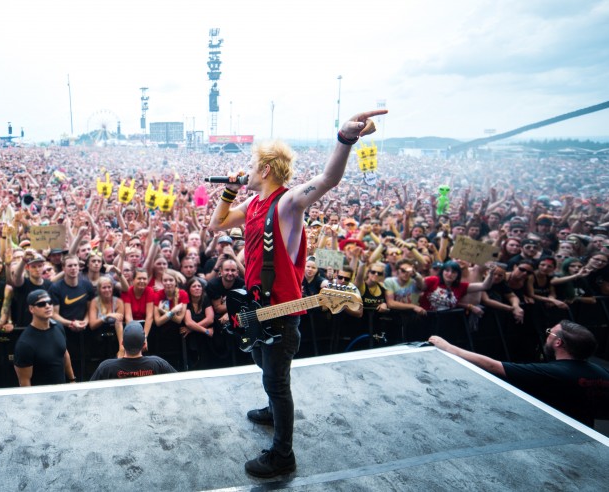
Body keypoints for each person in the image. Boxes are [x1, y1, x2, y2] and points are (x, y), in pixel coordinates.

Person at [209, 109, 386, 478]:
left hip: (282, 310)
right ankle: (273, 413)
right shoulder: (252, 204)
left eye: (253, 165)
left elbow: (328, 179)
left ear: (266, 171)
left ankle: (282, 455)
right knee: (261, 362)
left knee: (276, 380)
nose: (249, 170)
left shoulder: (287, 203)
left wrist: (344, 139)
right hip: (259, 305)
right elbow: (217, 223)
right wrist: (228, 189)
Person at [429, 320, 609, 427]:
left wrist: (447, 347)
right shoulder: (602, 373)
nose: (547, 335)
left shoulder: (553, 372)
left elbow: (493, 366)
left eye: (550, 333)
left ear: (558, 343)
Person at [13, 290, 75, 386]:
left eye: (50, 302)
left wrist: (72, 380)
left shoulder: (58, 326)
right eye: (41, 304)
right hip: (41, 398)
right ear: (31, 309)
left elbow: (64, 353)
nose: (47, 306)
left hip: (62, 392)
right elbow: (24, 382)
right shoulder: (25, 343)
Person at [90, 321, 177, 380]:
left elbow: (89, 393)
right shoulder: (158, 364)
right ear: (144, 345)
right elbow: (179, 382)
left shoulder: (106, 368)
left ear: (122, 343)